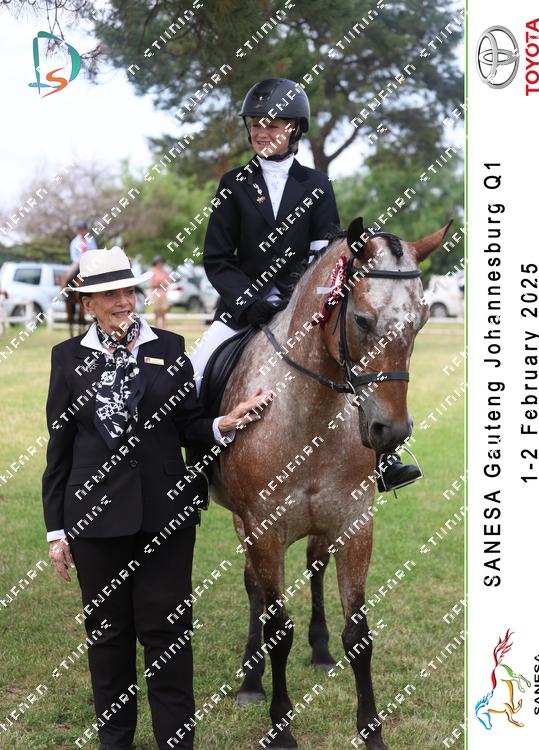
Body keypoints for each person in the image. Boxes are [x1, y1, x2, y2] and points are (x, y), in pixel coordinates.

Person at [43, 246, 273, 750]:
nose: (124, 301)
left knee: (168, 636)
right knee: (108, 638)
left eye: (128, 290)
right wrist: (57, 531)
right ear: (88, 304)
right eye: (110, 294)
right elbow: (59, 452)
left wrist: (223, 422)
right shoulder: (66, 359)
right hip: (95, 521)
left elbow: (188, 424)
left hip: (166, 517)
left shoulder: (169, 348)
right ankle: (115, 741)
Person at [192, 77, 421, 492]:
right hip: (242, 311)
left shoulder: (316, 185)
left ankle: (384, 458)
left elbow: (325, 255)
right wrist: (252, 300)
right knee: (193, 373)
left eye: (273, 125)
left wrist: (295, 299)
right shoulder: (233, 184)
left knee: (359, 360)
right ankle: (196, 474)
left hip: (302, 311)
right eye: (256, 125)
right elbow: (218, 259)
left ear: (294, 129)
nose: (262, 132)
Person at [148, 255, 172, 329]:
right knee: (157, 313)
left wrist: (159, 283)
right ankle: (157, 328)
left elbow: (167, 283)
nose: (161, 263)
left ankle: (165, 329)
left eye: (162, 261)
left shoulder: (165, 272)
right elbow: (152, 284)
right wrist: (161, 283)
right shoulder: (152, 271)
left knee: (164, 313)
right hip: (155, 294)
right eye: (159, 261)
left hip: (163, 294)